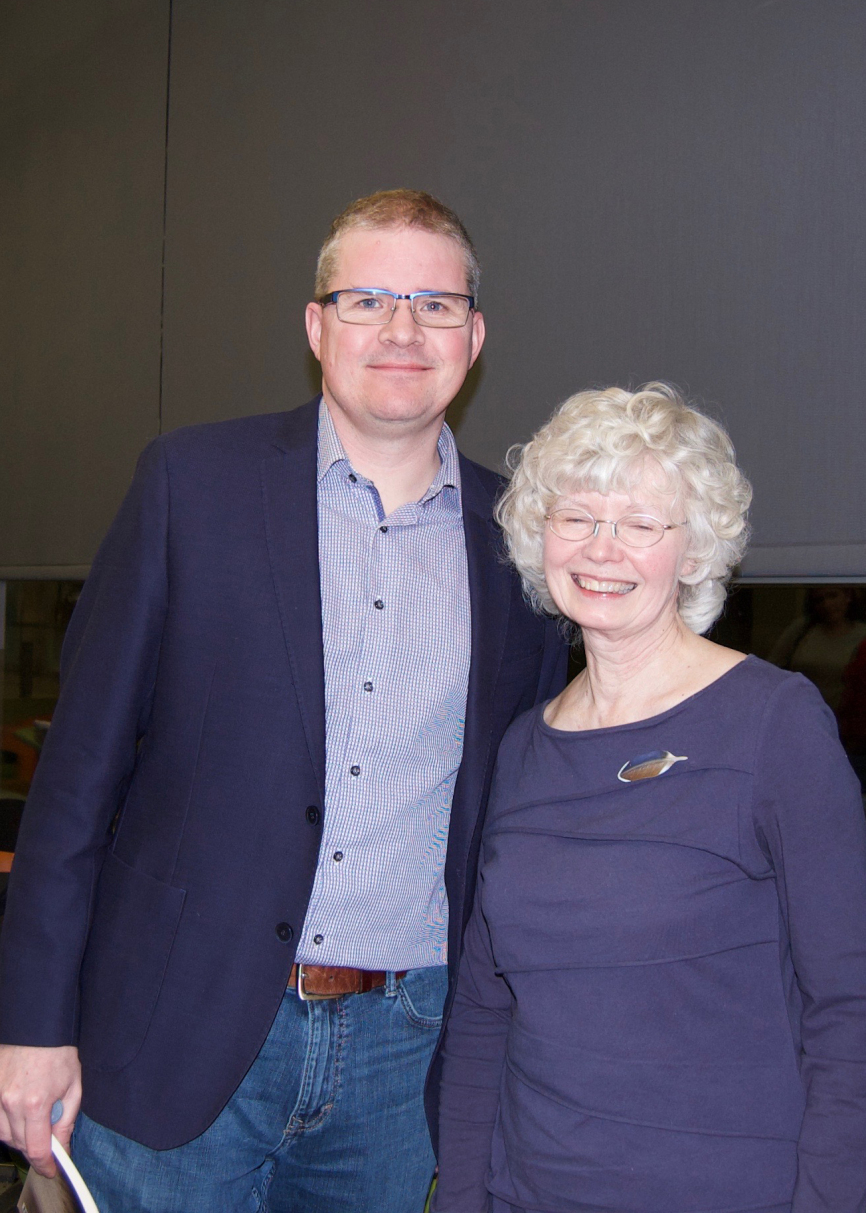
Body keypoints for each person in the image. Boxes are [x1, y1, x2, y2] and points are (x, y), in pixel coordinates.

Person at [0, 189, 565, 1212]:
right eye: (366, 300)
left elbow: (518, 816)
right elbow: (76, 782)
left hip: (401, 1058)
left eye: (435, 306)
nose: (401, 330)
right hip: (174, 1029)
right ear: (316, 326)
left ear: (473, 338)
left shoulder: (522, 542)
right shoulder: (190, 486)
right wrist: (32, 1025)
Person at [432, 384, 866, 1213]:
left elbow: (848, 1008)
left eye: (640, 524)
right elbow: (486, 1010)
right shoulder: (522, 748)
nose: (603, 549)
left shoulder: (773, 725)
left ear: (693, 550)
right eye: (577, 516)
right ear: (538, 536)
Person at [768, 585, 866, 713]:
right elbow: (771, 667)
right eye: (819, 600)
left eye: (832, 596)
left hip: (844, 716)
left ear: (848, 596)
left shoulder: (862, 635)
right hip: (799, 711)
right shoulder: (801, 629)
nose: (826, 604)